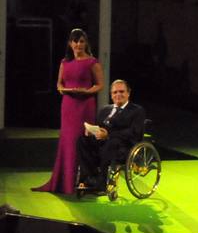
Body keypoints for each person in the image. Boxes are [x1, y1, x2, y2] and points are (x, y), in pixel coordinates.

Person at [34, 28, 104, 194]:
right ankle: (63, 181)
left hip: (85, 104)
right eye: (75, 41)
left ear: (85, 43)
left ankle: (82, 181)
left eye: (81, 41)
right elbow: (59, 84)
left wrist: (86, 92)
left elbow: (100, 84)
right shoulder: (64, 62)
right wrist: (63, 90)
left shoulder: (92, 62)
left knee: (80, 140)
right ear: (70, 43)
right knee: (67, 141)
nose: (78, 44)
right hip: (68, 105)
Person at [77, 79, 146, 197]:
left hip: (124, 145)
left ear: (128, 93)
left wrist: (109, 135)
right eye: (115, 92)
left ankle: (102, 183)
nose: (118, 95)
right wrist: (91, 131)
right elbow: (99, 127)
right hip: (103, 142)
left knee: (111, 143)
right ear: (111, 95)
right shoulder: (105, 110)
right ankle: (89, 177)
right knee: (82, 140)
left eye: (121, 91)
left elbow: (134, 132)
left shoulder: (137, 110)